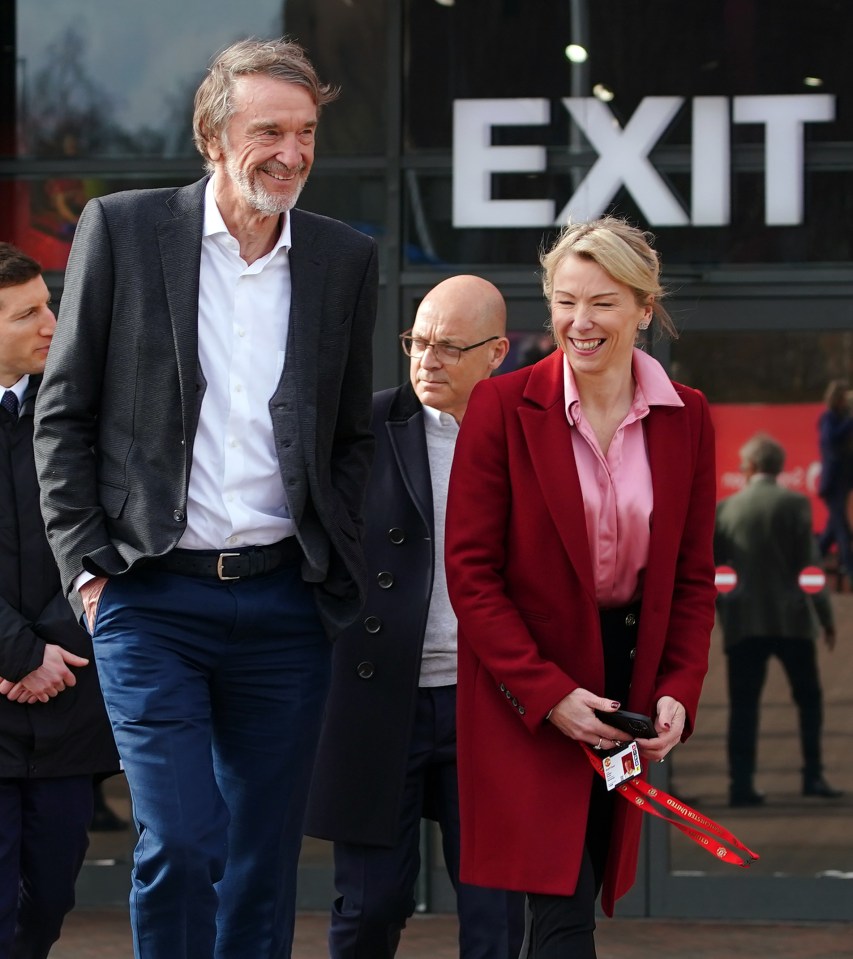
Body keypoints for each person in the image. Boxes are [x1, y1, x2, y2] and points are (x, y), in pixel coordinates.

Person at [33, 38, 378, 959]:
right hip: (149, 595)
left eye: (305, 132)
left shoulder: (343, 259)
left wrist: (326, 560)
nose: (292, 153)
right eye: (269, 130)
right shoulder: (123, 228)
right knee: (183, 842)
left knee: (263, 860)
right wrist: (87, 572)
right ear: (212, 136)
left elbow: (350, 437)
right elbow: (62, 413)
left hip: (283, 601)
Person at [444, 217, 717, 959]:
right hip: (528, 687)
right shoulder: (501, 408)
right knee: (559, 913)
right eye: (564, 302)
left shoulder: (687, 417)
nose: (579, 322)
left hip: (626, 680)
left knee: (576, 903)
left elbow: (692, 578)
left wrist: (677, 690)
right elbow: (470, 574)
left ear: (642, 305)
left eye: (600, 302)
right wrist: (546, 692)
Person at [306, 275, 524, 959]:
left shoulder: (527, 435)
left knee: (494, 916)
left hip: (486, 704)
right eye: (417, 342)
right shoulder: (361, 429)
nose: (426, 360)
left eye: (448, 347)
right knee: (369, 909)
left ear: (496, 351)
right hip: (376, 699)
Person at [0, 242, 120, 958]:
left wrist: (48, 650)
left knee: (50, 893)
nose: (52, 324)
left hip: (66, 696)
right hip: (13, 677)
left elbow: (100, 536)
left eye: (49, 306)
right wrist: (15, 652)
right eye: (27, 314)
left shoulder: (79, 414)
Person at [715, 432, 842, 806]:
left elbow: (714, 570)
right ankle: (812, 775)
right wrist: (825, 616)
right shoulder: (795, 505)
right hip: (793, 622)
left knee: (743, 706)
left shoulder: (726, 510)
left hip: (744, 623)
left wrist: (724, 612)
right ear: (778, 465)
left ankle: (740, 784)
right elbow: (809, 567)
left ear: (751, 466)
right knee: (809, 701)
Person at [816, 379, 853, 584]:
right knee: (842, 531)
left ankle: (809, 565)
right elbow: (830, 441)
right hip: (833, 484)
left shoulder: (841, 418)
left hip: (843, 482)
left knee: (832, 530)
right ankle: (851, 570)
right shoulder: (829, 418)